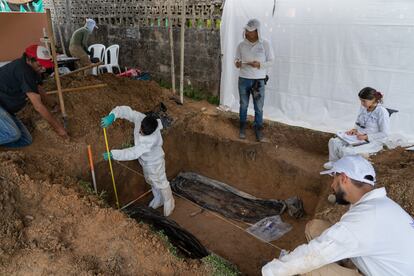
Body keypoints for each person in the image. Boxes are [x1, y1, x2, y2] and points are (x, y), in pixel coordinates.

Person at [262, 155, 414, 276]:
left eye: (333, 179)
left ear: (344, 178)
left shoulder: (365, 218)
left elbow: (314, 255)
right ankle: (347, 266)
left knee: (309, 268)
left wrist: (270, 271)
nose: (332, 185)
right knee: (315, 228)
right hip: (382, 266)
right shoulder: (381, 205)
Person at [101, 106, 175, 216]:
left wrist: (114, 154)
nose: (140, 132)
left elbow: (133, 152)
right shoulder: (141, 118)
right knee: (150, 180)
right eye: (140, 129)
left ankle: (169, 201)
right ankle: (158, 198)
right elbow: (128, 112)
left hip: (155, 162)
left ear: (151, 132)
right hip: (145, 161)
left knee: (161, 182)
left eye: (143, 133)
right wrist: (113, 115)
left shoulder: (151, 140)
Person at [0, 44, 68, 147]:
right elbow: (38, 106)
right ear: (29, 60)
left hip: (5, 108)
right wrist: (59, 129)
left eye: (44, 65)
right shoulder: (24, 71)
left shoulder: (33, 69)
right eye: (40, 65)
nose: (43, 68)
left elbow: (38, 88)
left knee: (25, 140)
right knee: (13, 134)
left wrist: (52, 104)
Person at [324, 87, 390, 169]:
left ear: (373, 99)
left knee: (347, 151)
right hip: (359, 136)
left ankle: (345, 168)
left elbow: (385, 133)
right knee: (333, 141)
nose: (362, 103)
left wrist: (366, 136)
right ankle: (334, 163)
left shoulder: (382, 112)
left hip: (373, 140)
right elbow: (358, 121)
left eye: (364, 101)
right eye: (361, 100)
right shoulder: (364, 107)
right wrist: (354, 129)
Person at [235, 18, 274, 141]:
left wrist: (260, 65)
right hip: (243, 79)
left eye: (250, 31)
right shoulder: (241, 45)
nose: (247, 33)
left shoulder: (265, 44)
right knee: (243, 105)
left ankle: (258, 130)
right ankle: (242, 128)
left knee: (258, 107)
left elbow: (272, 61)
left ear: (257, 31)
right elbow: (236, 60)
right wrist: (237, 63)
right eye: (246, 30)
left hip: (258, 81)